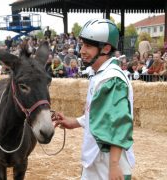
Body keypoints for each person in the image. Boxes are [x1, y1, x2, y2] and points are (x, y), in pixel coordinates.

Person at [53, 18, 135, 180]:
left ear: (105, 48)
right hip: (96, 160)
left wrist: (114, 165)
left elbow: (118, 124)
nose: (81, 50)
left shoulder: (111, 79)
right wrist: (74, 122)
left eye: (88, 46)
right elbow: (100, 114)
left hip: (107, 162)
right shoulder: (99, 74)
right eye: (82, 44)